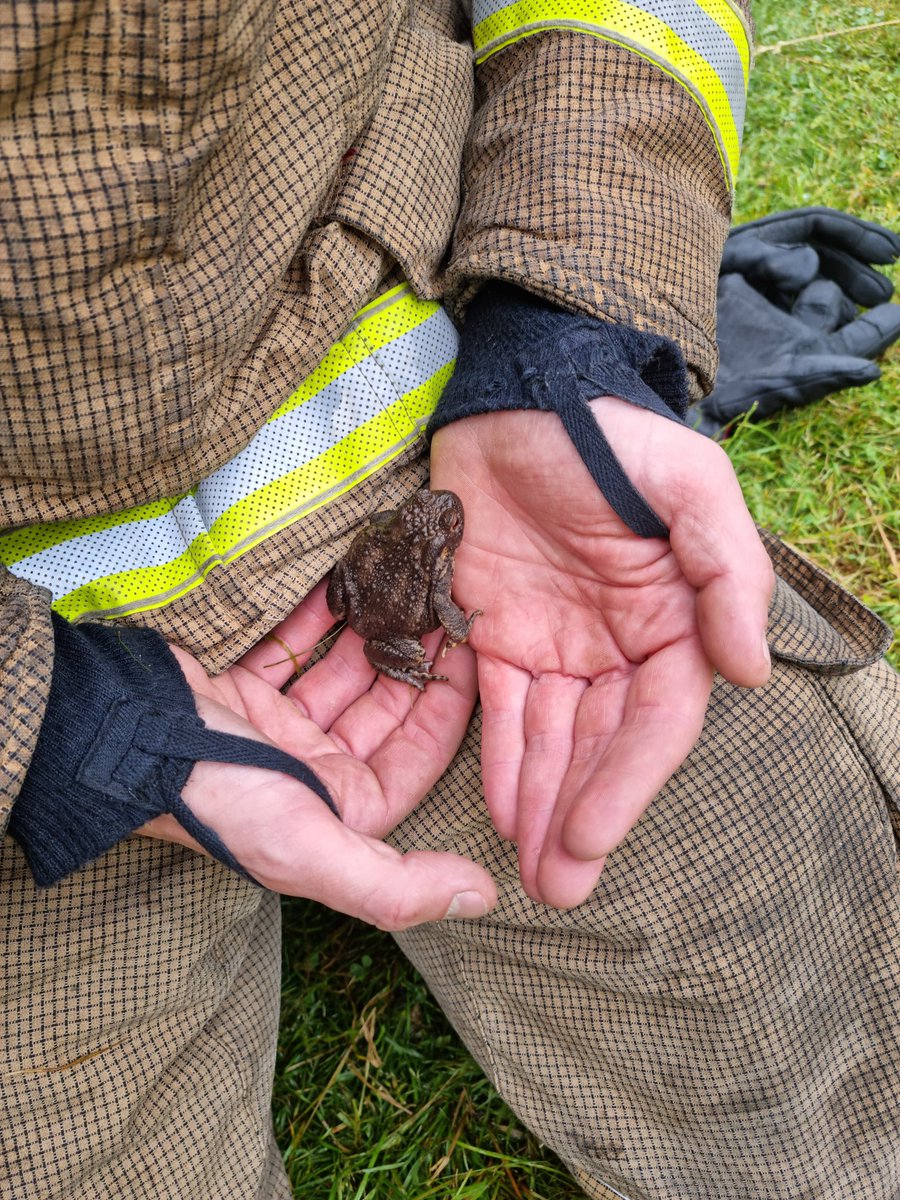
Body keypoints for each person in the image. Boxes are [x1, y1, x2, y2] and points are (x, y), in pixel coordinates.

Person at [0, 4, 897, 1199]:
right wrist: (58, 730)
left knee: (825, 974)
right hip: (37, 681)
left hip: (421, 430)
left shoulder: (445, 557)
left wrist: (573, 332)